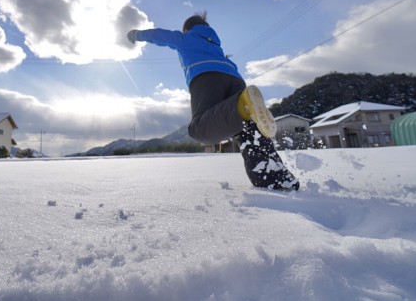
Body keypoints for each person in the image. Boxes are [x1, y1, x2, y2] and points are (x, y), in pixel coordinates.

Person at [127, 12, 299, 191]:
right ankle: (278, 179)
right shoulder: (216, 45)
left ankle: (242, 106)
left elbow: (160, 35)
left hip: (207, 77)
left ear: (187, 29)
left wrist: (136, 34)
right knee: (247, 131)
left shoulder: (186, 38)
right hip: (236, 79)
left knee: (199, 129)